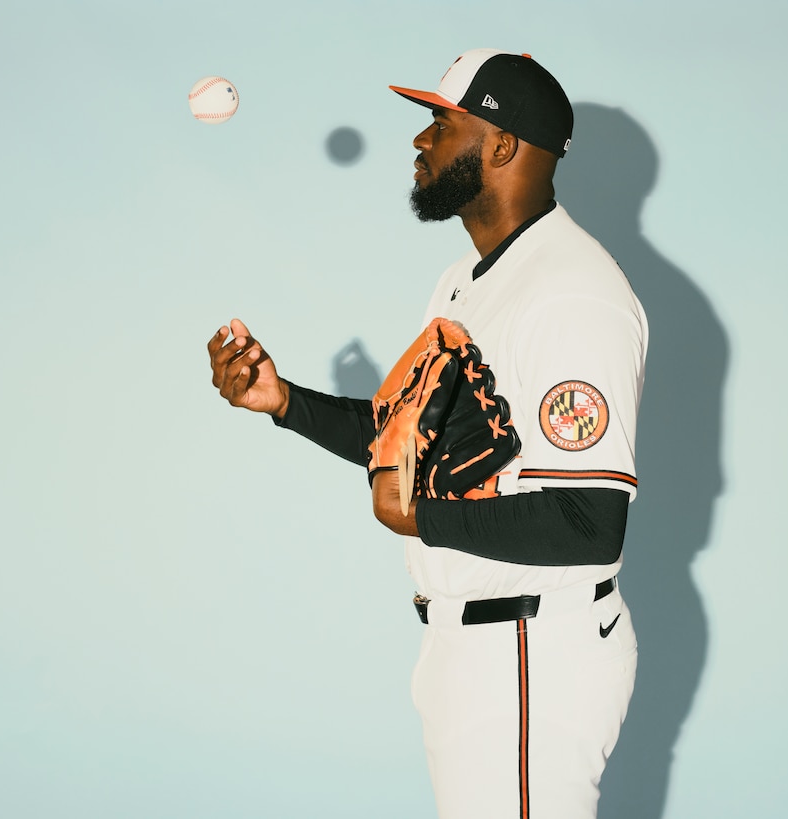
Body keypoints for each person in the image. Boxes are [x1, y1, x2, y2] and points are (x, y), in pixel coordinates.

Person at [207, 48, 648, 819]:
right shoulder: (461, 281)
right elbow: (400, 439)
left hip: (532, 650)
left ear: (503, 146)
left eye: (442, 122)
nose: (420, 140)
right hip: (470, 645)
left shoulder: (575, 295)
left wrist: (423, 518)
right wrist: (284, 402)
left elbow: (591, 523)